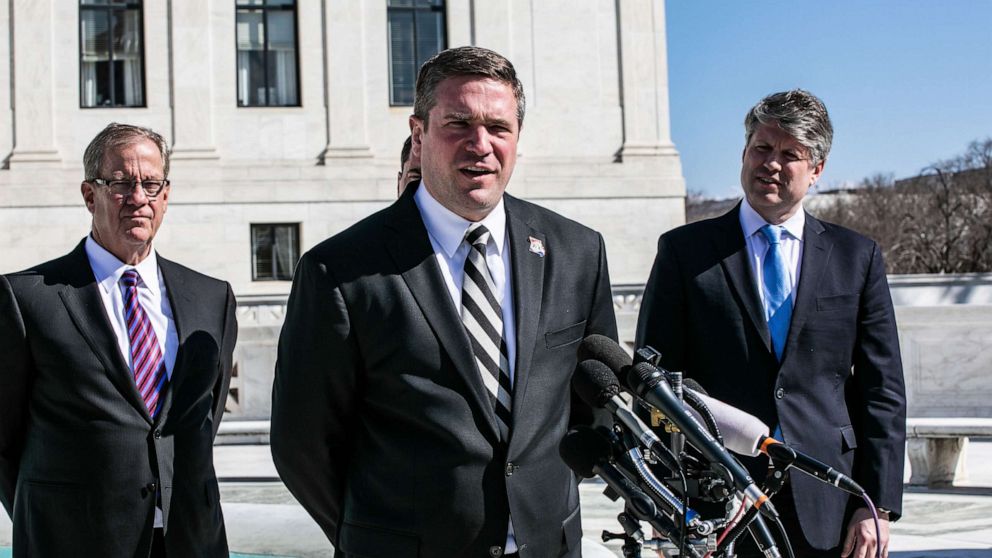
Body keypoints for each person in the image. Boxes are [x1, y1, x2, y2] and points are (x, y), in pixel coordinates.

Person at [271, 46, 618, 558]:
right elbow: (303, 442)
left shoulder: (578, 251)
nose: (480, 144)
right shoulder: (340, 270)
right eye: (458, 123)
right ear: (419, 134)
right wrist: (373, 536)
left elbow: (596, 402)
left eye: (498, 127)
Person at [636, 90, 906, 558]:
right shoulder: (685, 252)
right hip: (717, 496)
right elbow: (654, 380)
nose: (771, 164)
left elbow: (882, 390)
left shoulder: (856, 257)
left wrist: (875, 505)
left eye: (790, 155)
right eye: (761, 148)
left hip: (829, 499)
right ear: (744, 153)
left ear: (817, 169)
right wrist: (666, 501)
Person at [0, 123, 237, 557]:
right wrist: (51, 516)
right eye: (122, 184)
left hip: (191, 540)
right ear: (90, 195)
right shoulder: (26, 299)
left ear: (166, 195)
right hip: (74, 541)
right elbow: (4, 438)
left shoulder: (212, 297)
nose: (139, 199)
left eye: (151, 184)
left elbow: (199, 422)